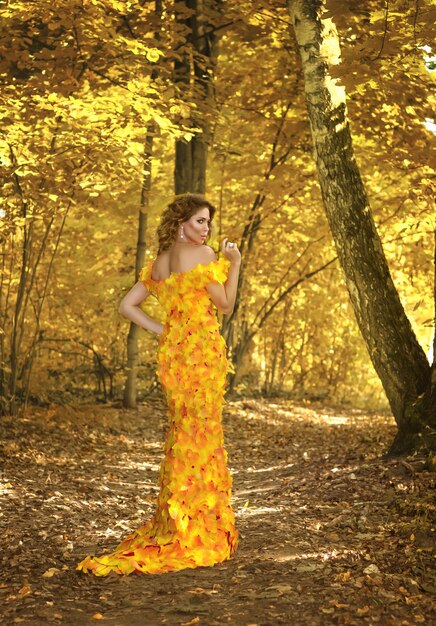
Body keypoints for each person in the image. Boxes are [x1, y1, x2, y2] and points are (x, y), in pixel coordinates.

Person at [77, 193, 241, 576]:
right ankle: (197, 528)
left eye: (208, 223)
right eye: (200, 221)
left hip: (174, 355)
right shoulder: (204, 256)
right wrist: (235, 264)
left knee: (183, 433)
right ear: (181, 222)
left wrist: (163, 330)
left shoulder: (159, 263)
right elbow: (227, 305)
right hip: (200, 354)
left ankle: (178, 521)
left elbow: (126, 306)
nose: (207, 229)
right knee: (201, 434)